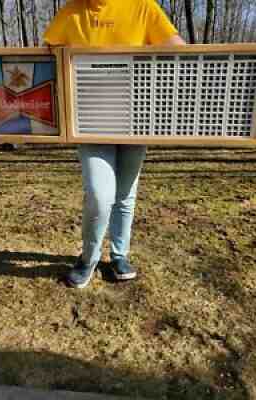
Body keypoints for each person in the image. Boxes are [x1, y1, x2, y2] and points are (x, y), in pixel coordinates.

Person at [43, 0, 186, 289]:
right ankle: (88, 258)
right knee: (99, 193)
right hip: (88, 122)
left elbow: (178, 49)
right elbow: (46, 60)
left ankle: (120, 256)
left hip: (135, 120)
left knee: (125, 193)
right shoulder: (71, 12)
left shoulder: (143, 7)